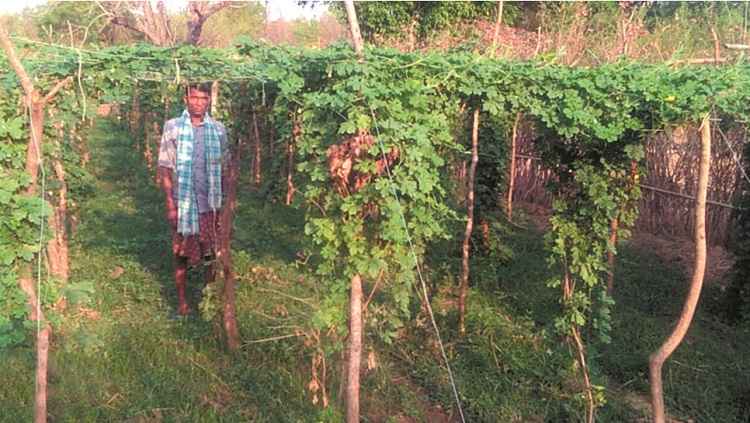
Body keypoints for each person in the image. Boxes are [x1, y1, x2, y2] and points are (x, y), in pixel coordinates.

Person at [157, 82, 229, 316]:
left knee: (210, 253)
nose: (199, 102)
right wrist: (170, 203)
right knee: (181, 254)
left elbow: (224, 167)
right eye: (194, 97)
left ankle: (207, 301)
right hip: (184, 202)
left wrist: (225, 204)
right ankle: (182, 303)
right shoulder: (173, 127)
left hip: (209, 203)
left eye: (203, 98)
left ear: (209, 100)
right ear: (186, 99)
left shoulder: (218, 130)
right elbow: (165, 167)